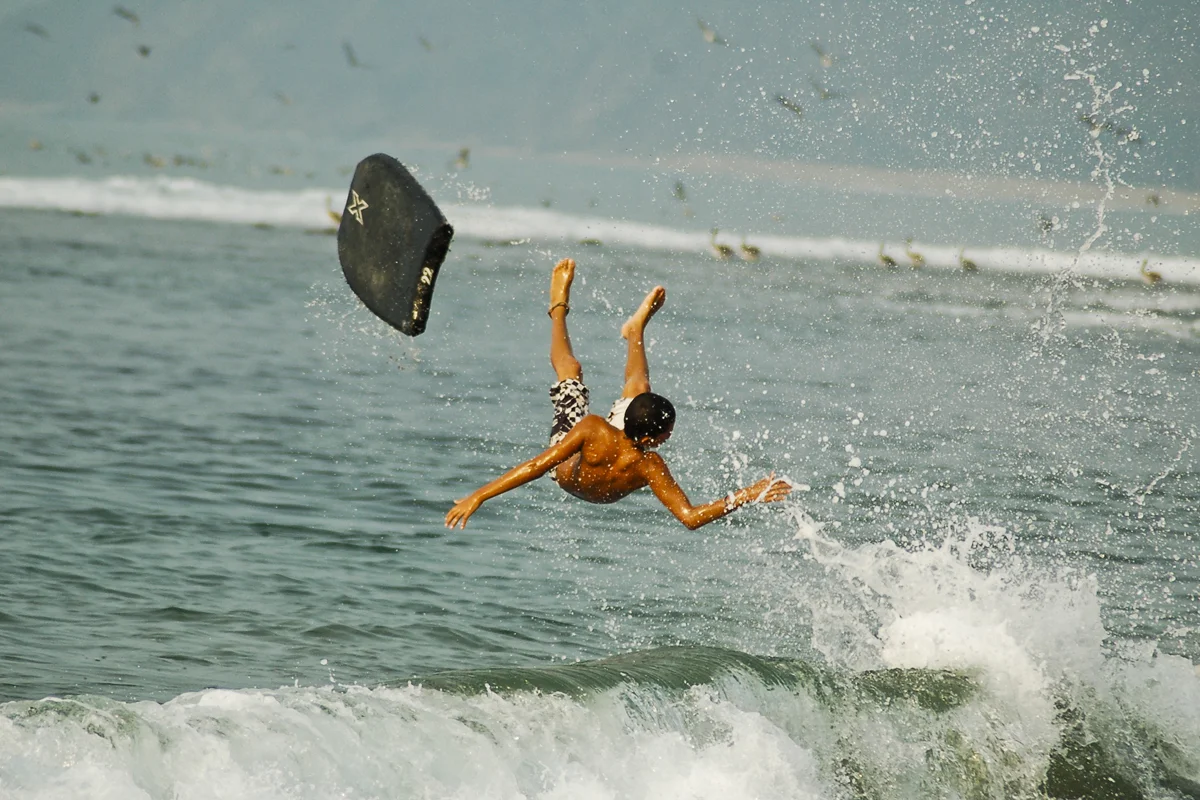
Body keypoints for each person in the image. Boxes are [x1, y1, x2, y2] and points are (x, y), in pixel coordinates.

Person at [444, 258, 793, 530]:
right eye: (667, 430)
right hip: (564, 466)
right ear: (653, 436)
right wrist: (479, 496)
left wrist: (752, 493)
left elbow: (689, 517)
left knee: (639, 390)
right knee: (572, 372)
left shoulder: (643, 457)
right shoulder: (615, 443)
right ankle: (558, 307)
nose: (670, 434)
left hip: (613, 442)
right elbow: (538, 465)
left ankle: (635, 328)